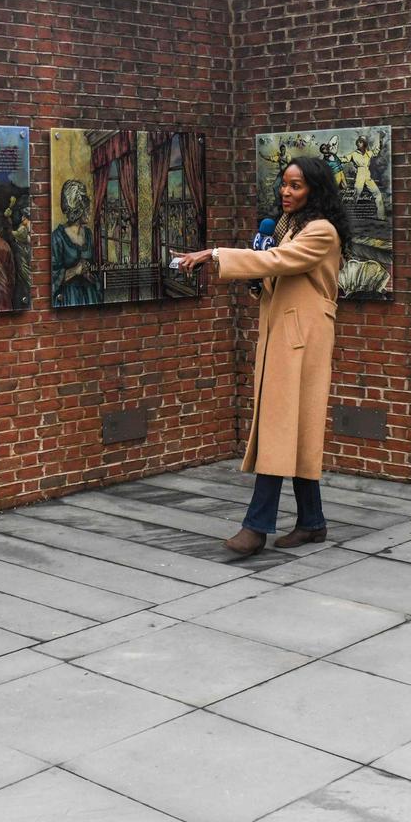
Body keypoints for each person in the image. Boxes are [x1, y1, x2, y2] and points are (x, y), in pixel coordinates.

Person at [175, 156, 350, 557]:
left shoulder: (321, 231)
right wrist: (257, 284)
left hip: (303, 337)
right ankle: (312, 521)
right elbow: (273, 272)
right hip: (285, 334)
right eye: (284, 184)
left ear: (315, 190)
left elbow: (277, 261)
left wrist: (215, 254)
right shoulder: (289, 227)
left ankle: (256, 527)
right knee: (294, 426)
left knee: (278, 426)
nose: (286, 193)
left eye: (296, 186)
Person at [51, 178, 102, 306]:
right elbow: (52, 278)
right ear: (77, 210)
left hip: (90, 297)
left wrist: (90, 275)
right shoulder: (57, 237)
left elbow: (96, 269)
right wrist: (75, 271)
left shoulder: (89, 234)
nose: (90, 210)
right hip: (68, 299)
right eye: (87, 207)